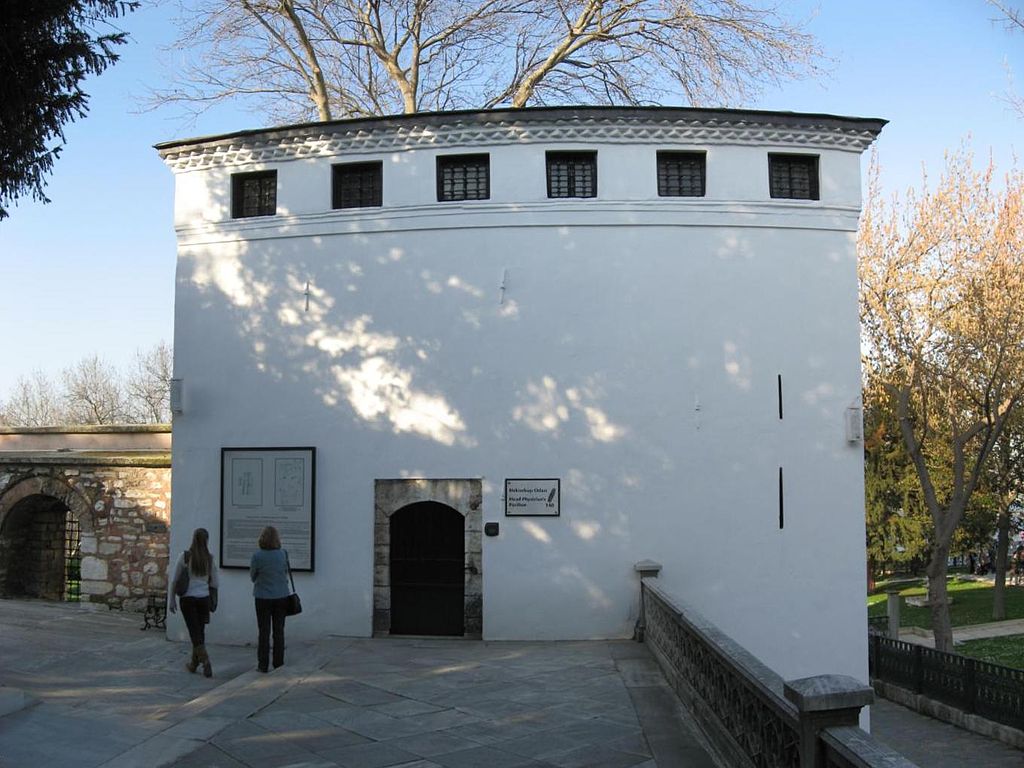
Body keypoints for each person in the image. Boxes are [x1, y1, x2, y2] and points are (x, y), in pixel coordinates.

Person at [168, 528, 218, 677]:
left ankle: (205, 660)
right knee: (199, 631)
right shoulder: (209, 559)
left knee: (194, 633)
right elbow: (215, 583)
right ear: (206, 541)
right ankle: (193, 664)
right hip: (203, 598)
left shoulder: (185, 557)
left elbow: (175, 580)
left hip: (188, 599)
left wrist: (171, 600)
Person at [250, 525, 292, 673]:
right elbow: (285, 573)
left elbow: (253, 576)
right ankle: (278, 663)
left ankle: (263, 664)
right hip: (281, 596)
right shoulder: (283, 554)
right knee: (279, 631)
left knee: (264, 631)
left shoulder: (257, 556)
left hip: (262, 597)